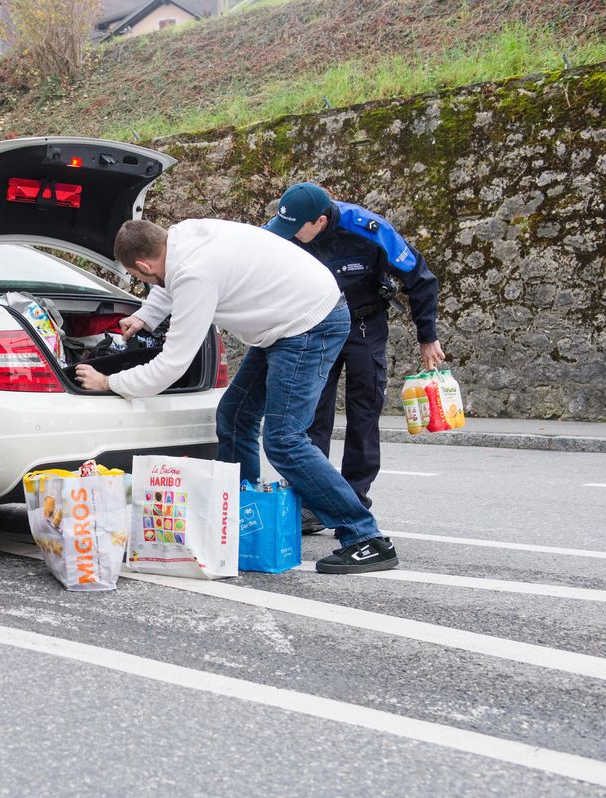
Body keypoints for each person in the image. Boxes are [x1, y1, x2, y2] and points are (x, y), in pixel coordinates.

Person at [74, 218, 399, 574]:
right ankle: (242, 518)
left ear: (144, 265)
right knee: (235, 416)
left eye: (143, 278)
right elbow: (168, 282)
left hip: (309, 323)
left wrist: (110, 382)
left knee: (284, 439)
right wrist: (146, 317)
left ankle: (365, 537)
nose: (148, 282)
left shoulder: (194, 274)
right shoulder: (180, 237)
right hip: (286, 318)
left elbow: (173, 365)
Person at [265, 183, 443, 534]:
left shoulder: (369, 229)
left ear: (319, 220)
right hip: (313, 327)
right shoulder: (283, 230)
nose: (291, 237)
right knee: (311, 415)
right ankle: (315, 502)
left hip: (364, 325)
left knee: (364, 414)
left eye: (297, 229)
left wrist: (428, 337)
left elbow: (419, 278)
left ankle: (354, 499)